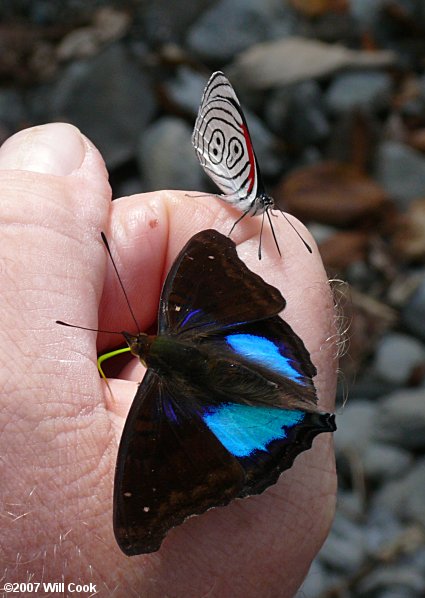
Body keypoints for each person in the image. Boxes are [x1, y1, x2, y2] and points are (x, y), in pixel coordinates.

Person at [0, 123, 336, 596]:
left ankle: (295, 420)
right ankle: (295, 402)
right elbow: (140, 517)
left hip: (231, 410)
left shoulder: (152, 416)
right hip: (255, 354)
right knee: (262, 373)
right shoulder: (185, 302)